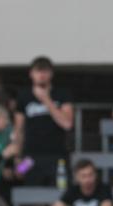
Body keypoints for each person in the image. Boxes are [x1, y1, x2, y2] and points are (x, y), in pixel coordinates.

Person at [13, 56, 74, 188]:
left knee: (59, 194)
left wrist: (46, 100)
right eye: (38, 71)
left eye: (45, 71)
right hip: (30, 156)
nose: (41, 75)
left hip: (57, 154)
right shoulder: (24, 96)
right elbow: (18, 130)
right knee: (33, 197)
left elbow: (67, 124)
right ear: (31, 74)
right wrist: (18, 158)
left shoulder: (62, 94)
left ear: (51, 74)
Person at [48, 159, 113, 206]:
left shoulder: (104, 189)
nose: (87, 180)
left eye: (90, 175)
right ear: (77, 177)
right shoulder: (73, 190)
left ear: (95, 175)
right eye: (83, 176)